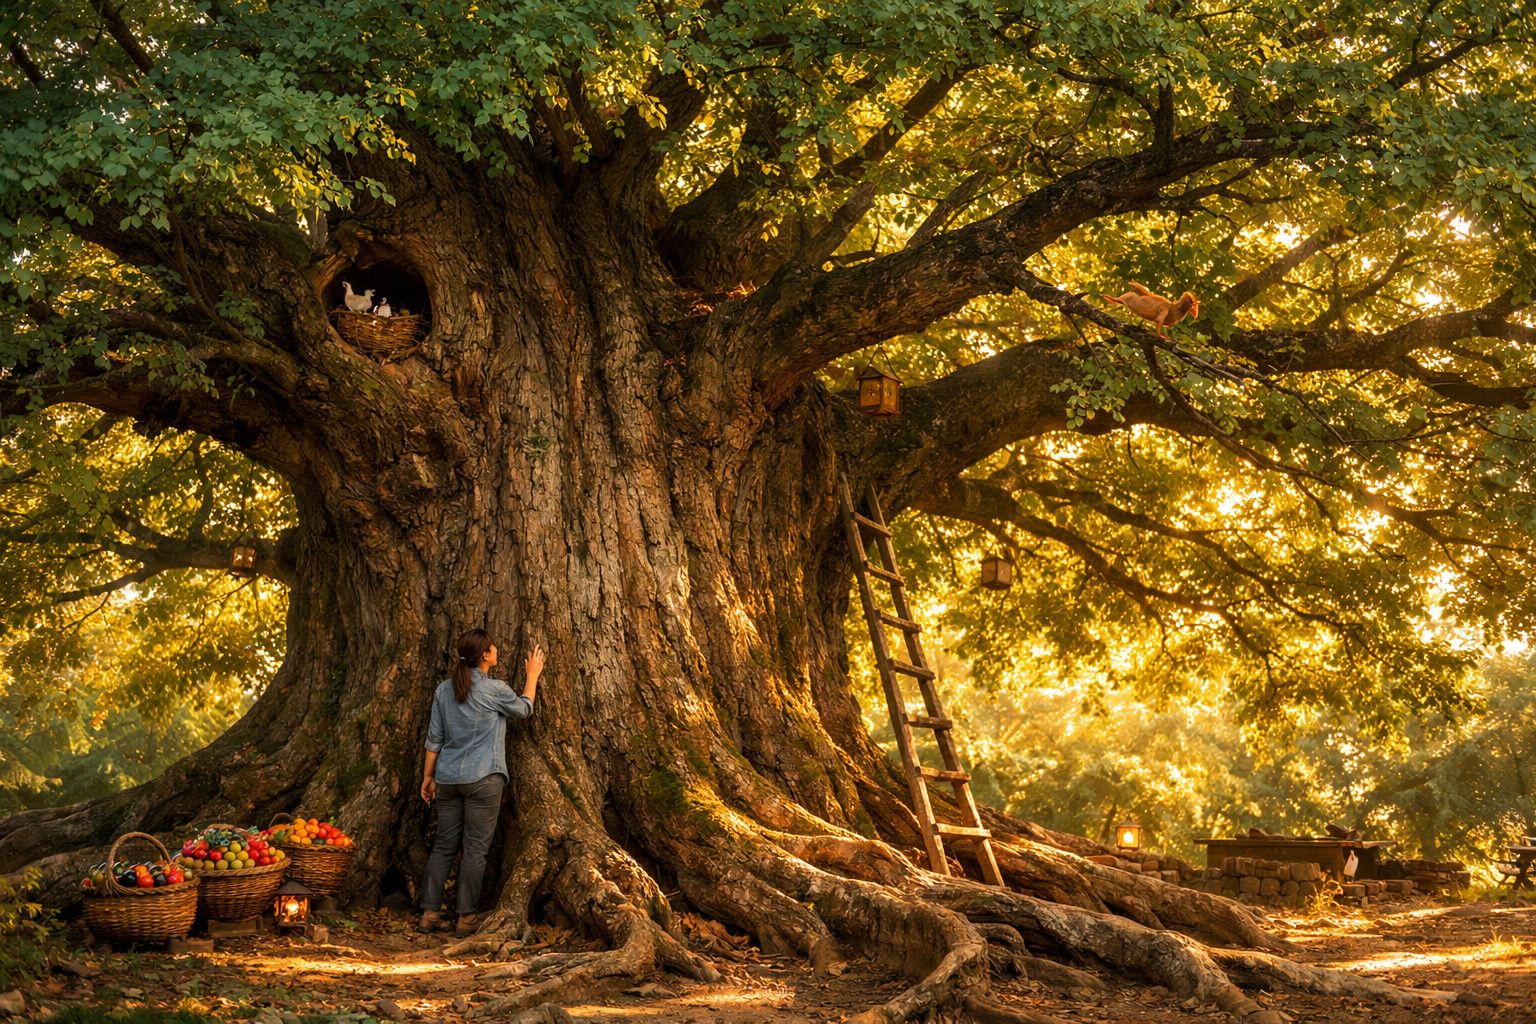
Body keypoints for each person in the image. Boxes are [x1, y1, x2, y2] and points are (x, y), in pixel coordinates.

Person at [417, 628, 544, 935]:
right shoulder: (494, 690)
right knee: (475, 850)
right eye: (493, 647)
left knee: (444, 846)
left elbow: (434, 739)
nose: (497, 649)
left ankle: (429, 915)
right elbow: (525, 709)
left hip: (447, 779)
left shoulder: (444, 690)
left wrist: (428, 777)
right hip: (483, 778)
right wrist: (533, 674)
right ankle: (466, 919)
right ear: (485, 655)